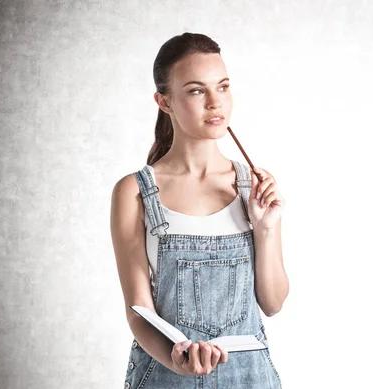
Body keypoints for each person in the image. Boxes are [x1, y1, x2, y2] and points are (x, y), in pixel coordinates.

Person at [110, 32, 288, 389]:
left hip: (250, 377)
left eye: (222, 87)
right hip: (165, 375)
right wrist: (174, 358)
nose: (214, 102)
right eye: (196, 90)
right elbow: (139, 311)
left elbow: (272, 303)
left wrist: (266, 227)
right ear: (164, 102)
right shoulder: (134, 192)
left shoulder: (252, 185)